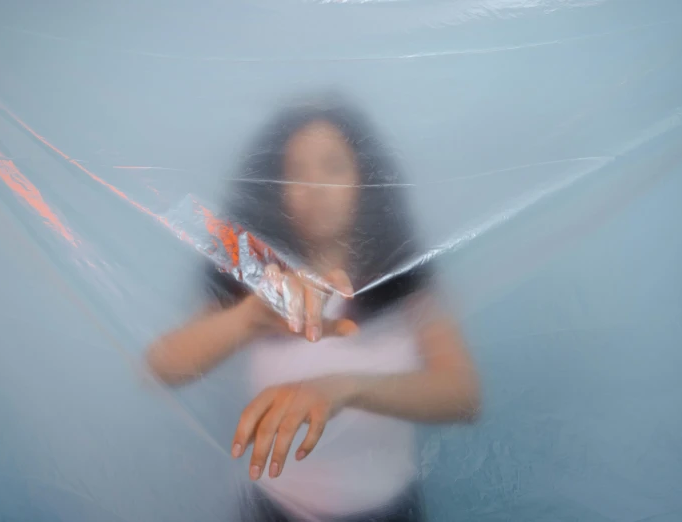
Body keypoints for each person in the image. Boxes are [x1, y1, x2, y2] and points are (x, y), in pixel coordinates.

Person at [146, 93, 481, 522]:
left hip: (388, 512)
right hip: (272, 511)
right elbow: (161, 367)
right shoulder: (254, 271)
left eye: (332, 167)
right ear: (275, 189)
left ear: (365, 179)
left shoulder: (404, 275)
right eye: (294, 172)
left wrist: (347, 388)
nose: (314, 188)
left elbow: (464, 396)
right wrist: (248, 318)